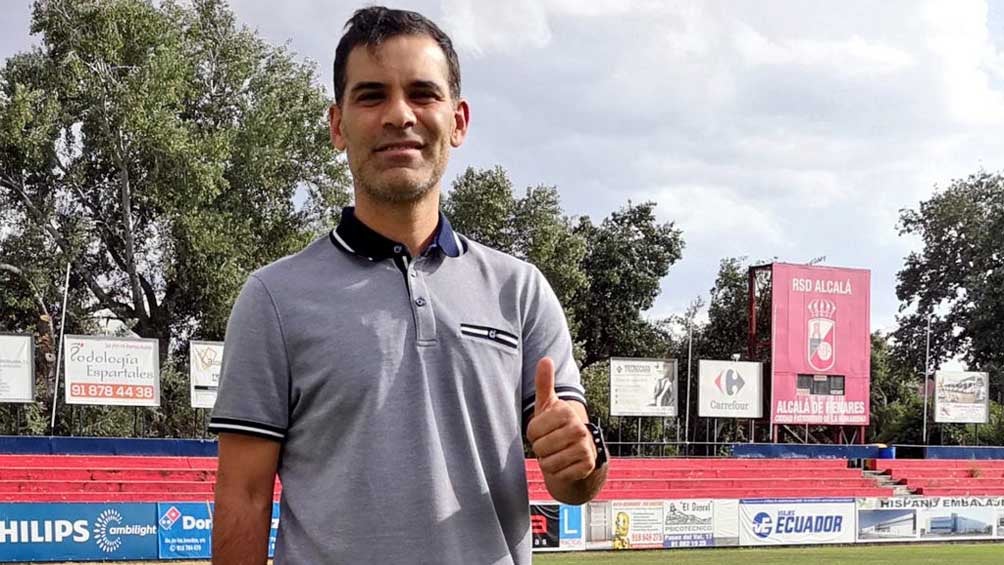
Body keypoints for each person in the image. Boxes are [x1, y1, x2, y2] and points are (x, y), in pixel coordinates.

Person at [209, 6, 608, 564]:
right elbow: (244, 496)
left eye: (423, 94)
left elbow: (574, 485)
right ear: (337, 125)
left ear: (458, 120)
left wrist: (581, 459)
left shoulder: (520, 291)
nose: (399, 115)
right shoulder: (274, 299)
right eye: (372, 96)